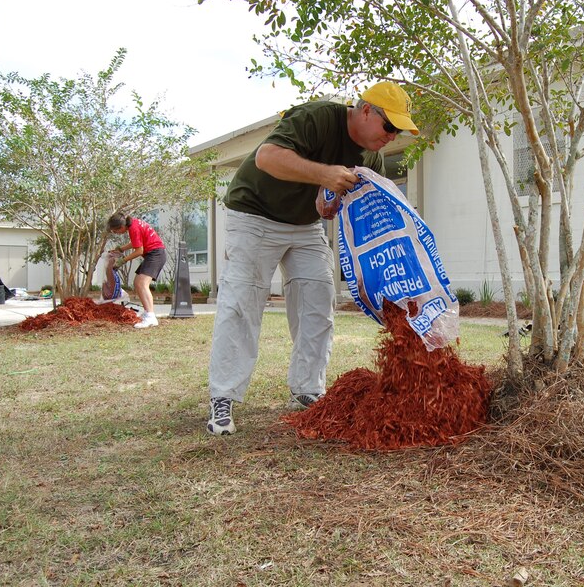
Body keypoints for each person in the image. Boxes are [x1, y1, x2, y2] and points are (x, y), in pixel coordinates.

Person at [206, 81, 420, 436]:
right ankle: (223, 396)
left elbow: (346, 202)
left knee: (319, 299)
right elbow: (267, 157)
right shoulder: (318, 116)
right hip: (255, 214)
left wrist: (329, 202)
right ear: (366, 111)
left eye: (399, 130)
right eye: (390, 126)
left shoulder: (372, 157)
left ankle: (307, 388)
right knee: (242, 302)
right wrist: (324, 174)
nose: (392, 136)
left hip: (305, 225)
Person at [107, 212, 167, 329]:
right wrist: (121, 249)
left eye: (115, 231)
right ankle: (148, 313)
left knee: (142, 283)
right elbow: (136, 241)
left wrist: (121, 261)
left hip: (155, 254)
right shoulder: (133, 224)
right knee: (138, 283)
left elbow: (139, 251)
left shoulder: (133, 228)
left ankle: (150, 317)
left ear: (121, 227)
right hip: (153, 254)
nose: (116, 233)